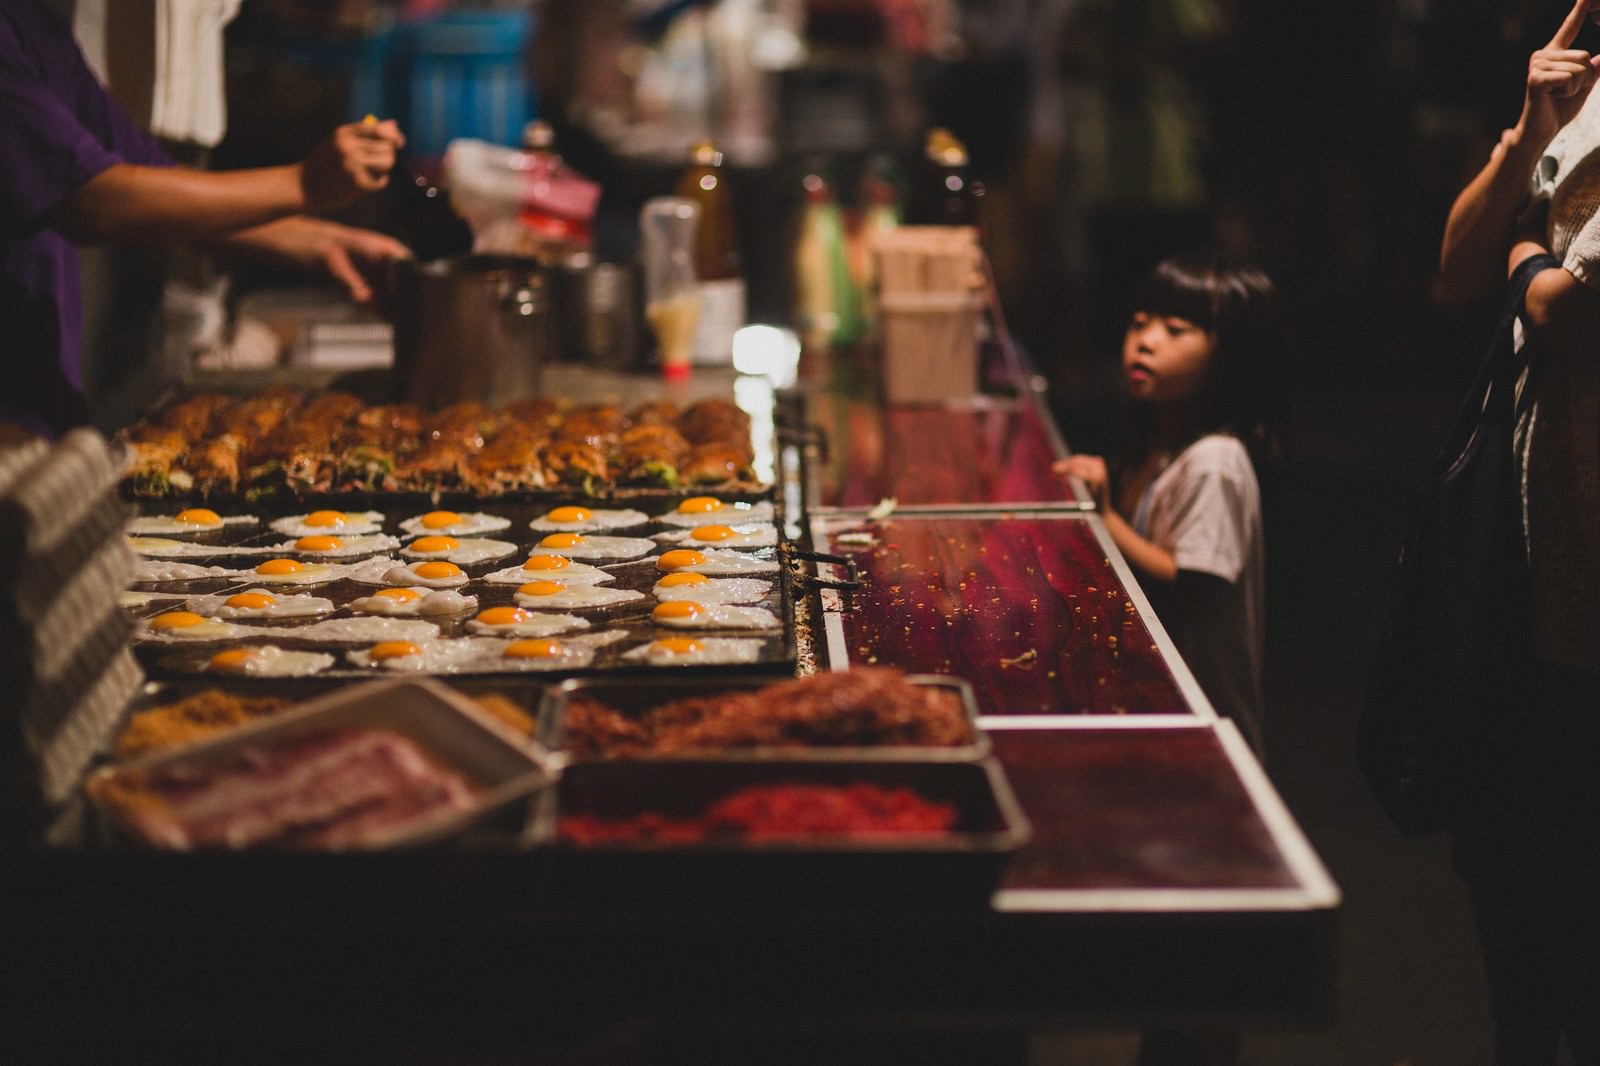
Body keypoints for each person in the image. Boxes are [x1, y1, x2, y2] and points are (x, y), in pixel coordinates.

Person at [0, 0, 410, 436]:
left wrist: (323, 243)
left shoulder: (31, 21)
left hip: (42, 416)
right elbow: (91, 199)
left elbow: (150, 177)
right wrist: (306, 185)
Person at [1434, 0, 1600, 1061]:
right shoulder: (1574, 85)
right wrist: (1527, 137)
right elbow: (1454, 265)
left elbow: (1558, 308)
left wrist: (1528, 256)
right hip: (1534, 542)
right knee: (1512, 855)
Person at [1054, 253, 1288, 756]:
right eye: (1139, 323)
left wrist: (1104, 516)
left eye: (1176, 329)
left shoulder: (1215, 462)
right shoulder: (1159, 449)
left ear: (1232, 354)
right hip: (1163, 708)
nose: (1146, 340)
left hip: (1205, 729)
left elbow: (1187, 586)